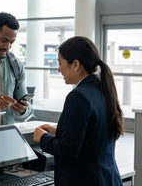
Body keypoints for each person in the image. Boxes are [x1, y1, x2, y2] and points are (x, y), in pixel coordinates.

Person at [33, 36, 123, 186]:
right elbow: (93, 134)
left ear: (75, 64)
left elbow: (68, 151)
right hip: (106, 178)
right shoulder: (101, 89)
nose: (58, 69)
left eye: (60, 63)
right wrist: (60, 132)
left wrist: (42, 138)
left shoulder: (78, 96)